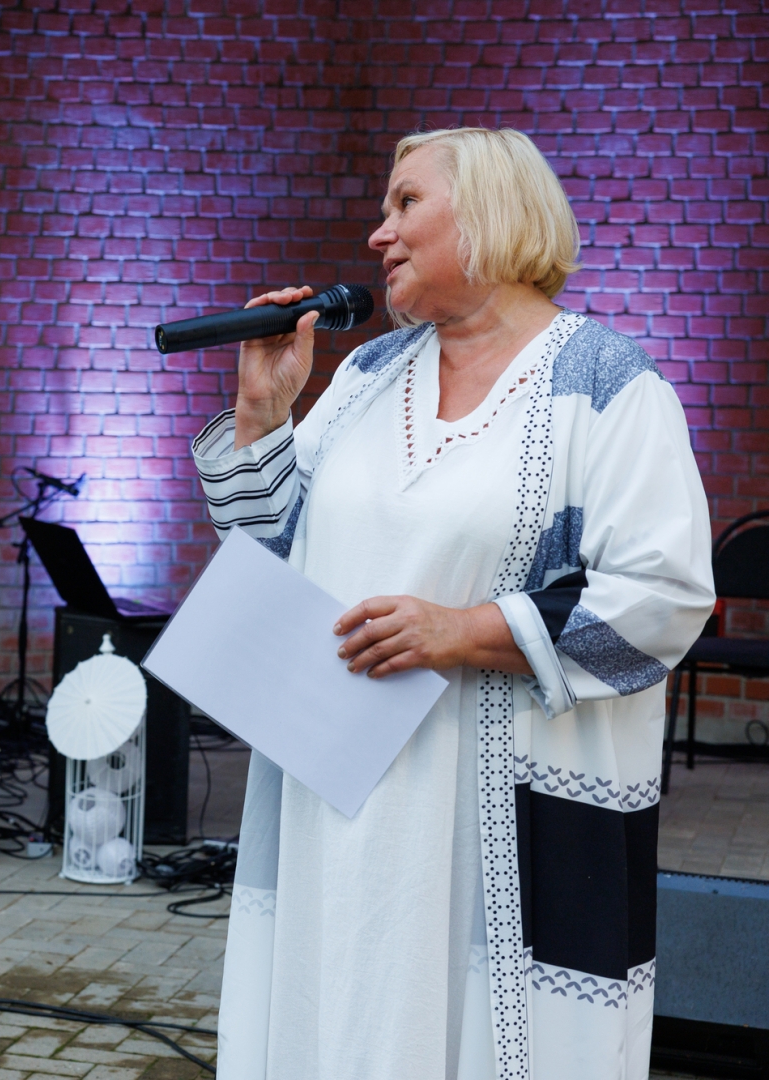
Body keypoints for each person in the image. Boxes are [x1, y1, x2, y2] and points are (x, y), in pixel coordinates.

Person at [196, 128, 713, 1080]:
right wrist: (264, 415)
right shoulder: (365, 376)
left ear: (488, 213)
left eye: (405, 204)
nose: (377, 234)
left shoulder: (606, 385)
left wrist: (464, 631)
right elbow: (272, 557)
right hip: (336, 792)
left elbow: (665, 595)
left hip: (491, 812)